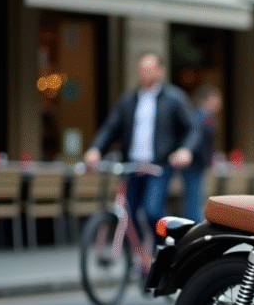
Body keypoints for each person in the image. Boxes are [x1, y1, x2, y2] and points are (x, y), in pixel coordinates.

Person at [84, 52, 199, 242]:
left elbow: (192, 129)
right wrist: (96, 148)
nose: (145, 73)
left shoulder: (174, 98)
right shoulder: (129, 100)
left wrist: (185, 150)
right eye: (142, 69)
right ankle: (138, 260)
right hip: (132, 166)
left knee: (152, 211)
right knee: (129, 212)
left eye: (150, 68)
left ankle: (162, 251)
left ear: (160, 71)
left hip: (158, 166)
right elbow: (111, 127)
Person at [182, 84, 223, 222]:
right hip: (194, 165)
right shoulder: (201, 117)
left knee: (193, 200)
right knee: (194, 201)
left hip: (194, 165)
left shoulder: (199, 115)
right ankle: (192, 231)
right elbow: (199, 143)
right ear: (210, 99)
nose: (219, 103)